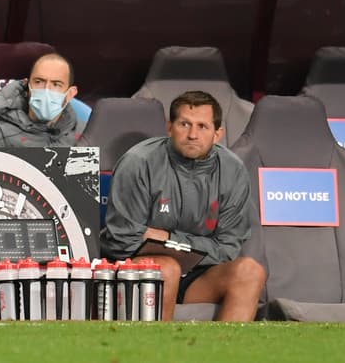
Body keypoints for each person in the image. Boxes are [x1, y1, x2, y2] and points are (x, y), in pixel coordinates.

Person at [102, 90, 267, 321]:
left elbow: (228, 248)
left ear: (217, 134)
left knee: (250, 271)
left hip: (199, 277)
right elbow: (121, 238)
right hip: (141, 271)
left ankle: (226, 354)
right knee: (167, 267)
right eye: (184, 124)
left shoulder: (233, 170)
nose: (192, 134)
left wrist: (167, 238)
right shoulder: (138, 162)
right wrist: (194, 247)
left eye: (202, 126)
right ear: (170, 127)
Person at [0, 53, 83, 148]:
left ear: (70, 94)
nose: (46, 90)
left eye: (56, 84)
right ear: (27, 86)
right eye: (39, 81)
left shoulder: (87, 133)